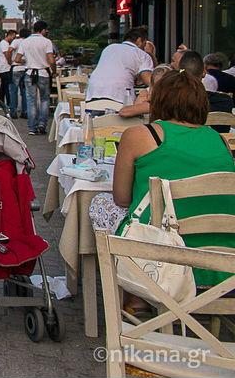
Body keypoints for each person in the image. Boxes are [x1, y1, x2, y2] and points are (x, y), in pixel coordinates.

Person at [111, 69, 235, 287]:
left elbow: (121, 198)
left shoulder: (140, 135)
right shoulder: (220, 141)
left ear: (158, 101)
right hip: (222, 263)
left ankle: (132, 290)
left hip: (162, 260)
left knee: (98, 208)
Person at [85, 25, 154, 104]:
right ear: (139, 40)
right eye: (144, 44)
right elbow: (149, 80)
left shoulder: (109, 48)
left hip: (93, 92)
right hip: (119, 96)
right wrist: (151, 54)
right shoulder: (142, 54)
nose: (144, 47)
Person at [18, 20, 54, 135]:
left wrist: (27, 61)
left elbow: (17, 59)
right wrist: (54, 70)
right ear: (43, 30)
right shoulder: (47, 42)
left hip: (29, 73)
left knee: (31, 101)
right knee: (44, 99)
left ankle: (32, 128)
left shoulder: (25, 42)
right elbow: (51, 60)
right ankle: (42, 124)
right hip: (43, 73)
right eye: (46, 30)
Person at [0, 30, 15, 111]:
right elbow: (7, 55)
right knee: (7, 87)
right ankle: (8, 104)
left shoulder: (5, 43)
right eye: (13, 37)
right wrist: (10, 62)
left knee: (3, 86)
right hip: (5, 68)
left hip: (3, 68)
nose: (13, 39)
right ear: (9, 35)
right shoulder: (4, 44)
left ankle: (1, 103)